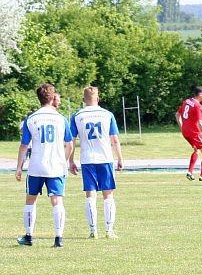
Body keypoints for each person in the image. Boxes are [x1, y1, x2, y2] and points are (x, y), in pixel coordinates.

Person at [16, 83, 75, 247]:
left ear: (39, 98)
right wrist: (63, 160)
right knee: (57, 201)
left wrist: (19, 167)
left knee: (30, 200)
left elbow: (24, 145)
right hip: (56, 166)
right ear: (53, 97)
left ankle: (28, 236)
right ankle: (58, 238)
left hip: (36, 165)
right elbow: (70, 145)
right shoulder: (61, 119)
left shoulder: (31, 119)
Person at [70, 86, 123, 239]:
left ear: (83, 100)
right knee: (108, 195)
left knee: (90, 195)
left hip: (87, 160)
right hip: (105, 158)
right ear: (98, 99)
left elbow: (71, 141)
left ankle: (93, 230)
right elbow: (114, 139)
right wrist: (120, 158)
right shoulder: (107, 114)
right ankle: (109, 230)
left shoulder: (77, 116)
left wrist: (71, 160)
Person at [176, 85, 202, 181]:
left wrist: (182, 127)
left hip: (185, 132)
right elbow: (200, 122)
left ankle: (190, 172)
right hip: (194, 132)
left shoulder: (186, 101)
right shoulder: (198, 106)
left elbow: (177, 114)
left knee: (196, 150)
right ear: (200, 94)